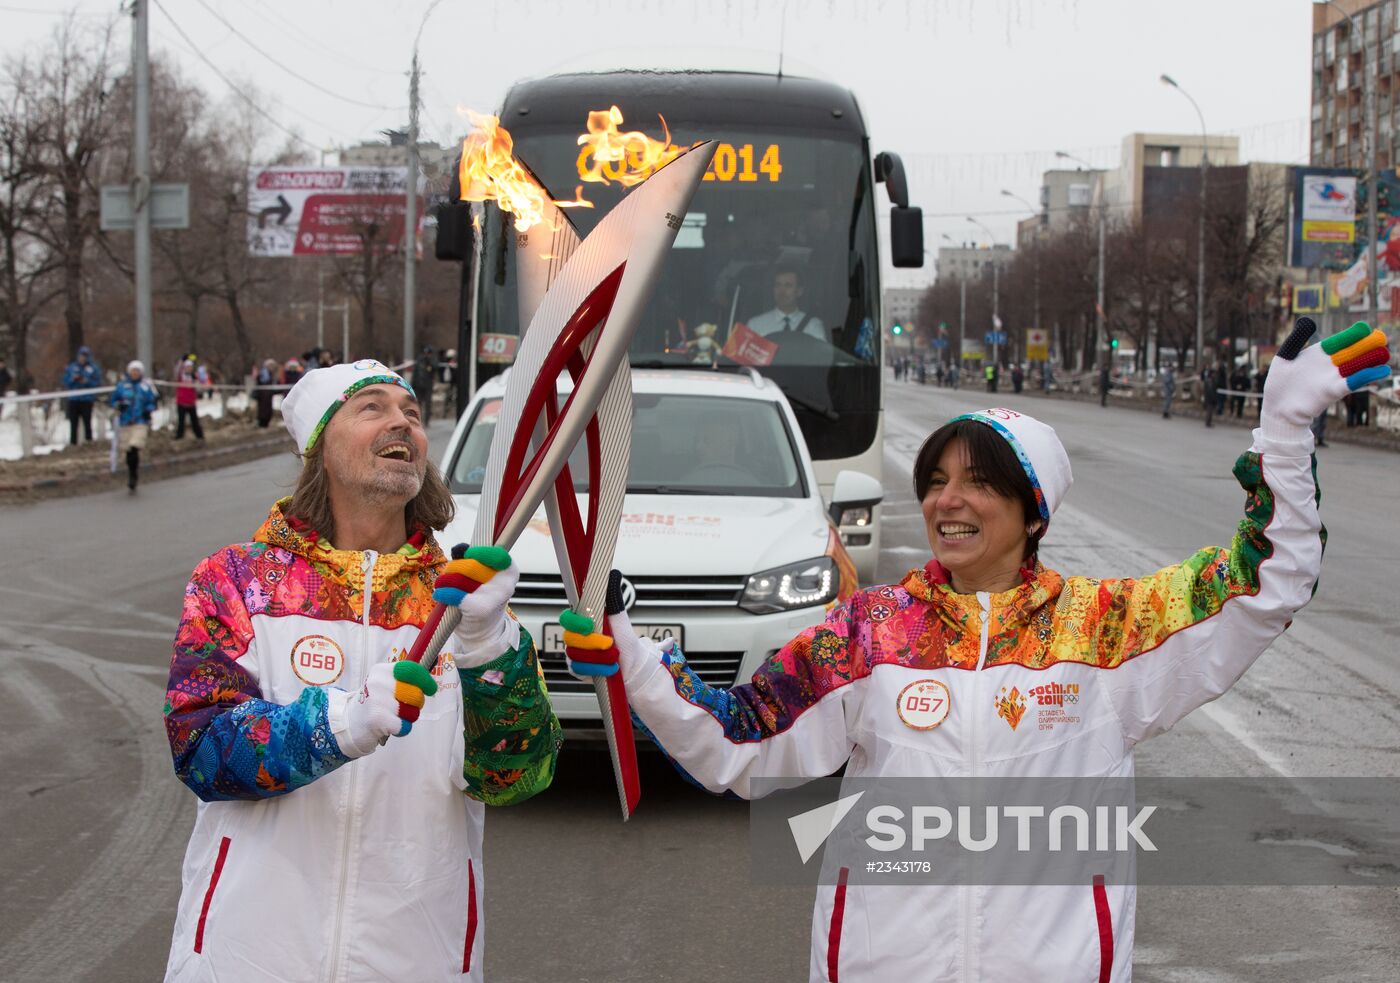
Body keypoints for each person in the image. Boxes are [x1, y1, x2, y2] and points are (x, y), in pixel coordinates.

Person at [599, 318, 1390, 982]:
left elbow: (1266, 582)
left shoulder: (1104, 628)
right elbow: (740, 739)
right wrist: (629, 645)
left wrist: (1283, 433)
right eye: (937, 479)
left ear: (1032, 512)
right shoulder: (873, 631)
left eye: (979, 483)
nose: (949, 499)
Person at [162, 359, 560, 982]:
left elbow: (516, 775)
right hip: (249, 956)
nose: (401, 421)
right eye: (371, 407)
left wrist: (490, 641)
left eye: (412, 412)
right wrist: (340, 724)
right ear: (320, 448)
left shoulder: (459, 598)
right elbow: (201, 749)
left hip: (415, 956)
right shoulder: (236, 581)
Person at [110, 360, 160, 491]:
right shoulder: (122, 386)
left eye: (137, 371)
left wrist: (147, 410)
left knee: (134, 447)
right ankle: (132, 472)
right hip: (125, 422)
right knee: (128, 450)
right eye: (133, 370)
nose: (135, 373)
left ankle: (134, 476)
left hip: (140, 422)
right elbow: (113, 400)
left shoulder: (145, 386)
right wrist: (119, 405)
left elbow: (152, 401)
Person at [747, 268, 827, 341]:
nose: (782, 291)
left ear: (799, 291)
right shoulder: (754, 325)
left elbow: (821, 356)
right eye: (777, 285)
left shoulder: (814, 326)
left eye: (788, 285)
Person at [62, 345, 102, 444]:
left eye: (85, 356)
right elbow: (65, 381)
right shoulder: (72, 367)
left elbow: (97, 383)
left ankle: (89, 441)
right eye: (81, 355)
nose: (82, 358)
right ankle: (73, 443)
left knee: (87, 422)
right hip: (74, 399)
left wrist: (87, 382)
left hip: (87, 399)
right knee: (73, 423)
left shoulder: (93, 368)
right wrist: (73, 379)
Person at [173, 356, 205, 441]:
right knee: (181, 421)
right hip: (181, 402)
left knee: (194, 421)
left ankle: (199, 436)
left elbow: (199, 389)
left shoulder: (194, 377)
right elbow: (176, 370)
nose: (189, 369)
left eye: (190, 367)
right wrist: (181, 361)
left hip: (191, 403)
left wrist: (198, 383)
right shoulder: (180, 376)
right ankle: (179, 436)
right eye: (187, 367)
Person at [411, 346, 436, 428]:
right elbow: (415, 373)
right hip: (418, 385)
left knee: (428, 403)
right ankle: (419, 420)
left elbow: (435, 367)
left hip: (428, 385)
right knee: (418, 403)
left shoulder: (432, 360)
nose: (427, 355)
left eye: (428, 353)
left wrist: (429, 361)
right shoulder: (419, 360)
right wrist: (413, 384)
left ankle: (426, 421)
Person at [254, 357, 280, 429]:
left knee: (267, 409)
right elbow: (261, 382)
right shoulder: (263, 373)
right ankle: (262, 423)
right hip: (263, 395)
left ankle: (265, 422)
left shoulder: (270, 373)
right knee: (263, 410)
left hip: (268, 395)